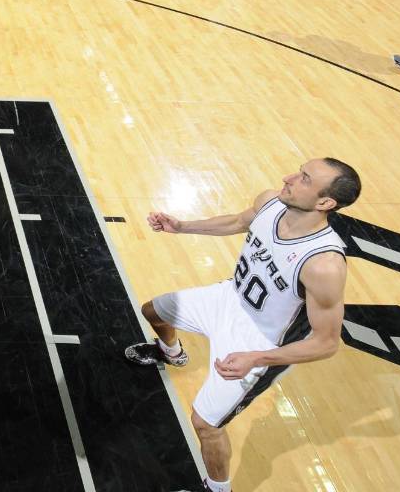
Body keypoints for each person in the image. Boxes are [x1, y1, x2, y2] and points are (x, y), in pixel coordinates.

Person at [124, 159, 359, 492]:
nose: (288, 178)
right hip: (229, 298)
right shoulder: (270, 203)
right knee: (154, 311)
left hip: (259, 339)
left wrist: (255, 358)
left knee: (206, 424)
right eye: (298, 170)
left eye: (304, 179)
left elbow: (325, 343)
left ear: (325, 203)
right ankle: (171, 353)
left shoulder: (324, 264)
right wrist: (182, 226)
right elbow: (237, 220)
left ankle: (218, 488)